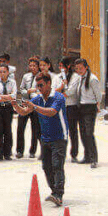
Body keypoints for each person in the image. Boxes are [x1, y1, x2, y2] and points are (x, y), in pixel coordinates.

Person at [13, 73, 68, 206]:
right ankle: (54, 191)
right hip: (45, 137)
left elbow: (51, 112)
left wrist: (35, 108)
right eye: (37, 86)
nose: (39, 88)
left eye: (41, 85)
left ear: (49, 83)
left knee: (57, 165)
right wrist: (15, 105)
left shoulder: (58, 97)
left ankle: (59, 194)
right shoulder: (38, 99)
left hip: (59, 137)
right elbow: (25, 111)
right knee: (46, 166)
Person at [73, 58, 100, 168]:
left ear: (86, 67)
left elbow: (98, 95)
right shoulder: (79, 78)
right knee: (83, 133)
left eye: (81, 68)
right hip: (81, 107)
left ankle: (94, 158)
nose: (79, 70)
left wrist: (97, 106)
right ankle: (87, 156)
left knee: (89, 133)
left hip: (90, 107)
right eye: (77, 68)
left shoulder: (92, 79)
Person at [17, 57, 42, 158]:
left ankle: (33, 151)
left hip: (36, 105)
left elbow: (42, 91)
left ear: (38, 66)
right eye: (30, 65)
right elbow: (21, 89)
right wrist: (27, 92)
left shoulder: (41, 76)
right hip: (25, 103)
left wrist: (35, 92)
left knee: (35, 128)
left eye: (34, 66)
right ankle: (19, 151)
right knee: (20, 127)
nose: (32, 67)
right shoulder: (26, 76)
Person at [0, 64, 16, 161]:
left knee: (7, 131)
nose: (2, 74)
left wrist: (2, 96)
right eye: (0, 72)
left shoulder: (12, 82)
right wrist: (7, 96)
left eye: (4, 71)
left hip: (8, 108)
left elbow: (14, 96)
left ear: (8, 72)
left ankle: (7, 153)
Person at [60, 57, 80, 162]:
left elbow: (71, 91)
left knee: (72, 130)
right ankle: (61, 152)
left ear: (68, 66)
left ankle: (74, 153)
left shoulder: (75, 76)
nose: (61, 69)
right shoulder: (60, 76)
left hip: (72, 106)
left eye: (62, 66)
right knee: (62, 131)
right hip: (63, 106)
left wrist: (63, 93)